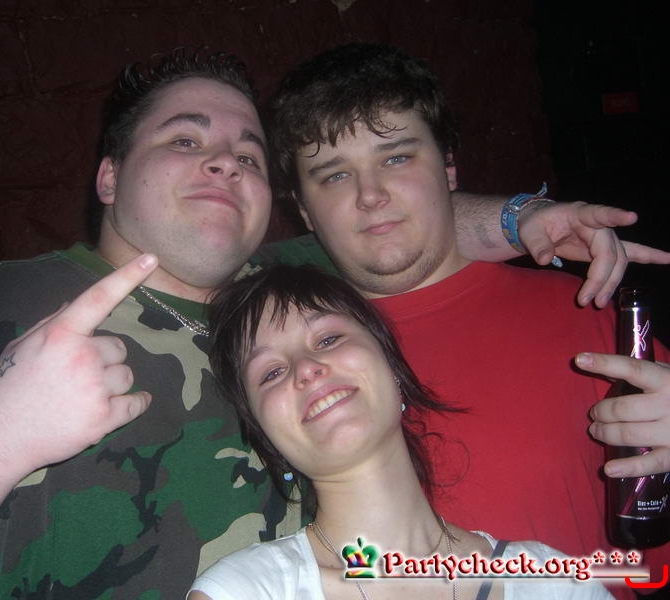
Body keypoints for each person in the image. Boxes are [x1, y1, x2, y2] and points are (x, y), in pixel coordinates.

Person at [0, 48, 663, 599]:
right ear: (108, 176)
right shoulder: (5, 301)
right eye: (185, 139)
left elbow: (389, 222)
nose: (224, 161)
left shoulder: (287, 294)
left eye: (248, 155)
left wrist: (525, 216)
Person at [260, 42, 670, 596]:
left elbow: (651, 568)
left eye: (396, 158)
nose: (370, 195)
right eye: (334, 176)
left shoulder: (585, 318)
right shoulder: (286, 368)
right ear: (303, 210)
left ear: (449, 167)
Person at [189, 264, 613, 599]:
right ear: (266, 438)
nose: (306, 369)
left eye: (328, 339)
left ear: (394, 369)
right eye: (272, 372)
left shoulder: (556, 586)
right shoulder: (245, 591)